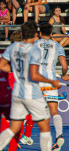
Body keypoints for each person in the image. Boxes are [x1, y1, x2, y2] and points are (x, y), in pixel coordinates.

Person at [0, 21, 61, 151]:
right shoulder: (34, 50)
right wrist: (52, 82)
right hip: (30, 93)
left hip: (17, 93)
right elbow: (34, 75)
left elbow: (1, 66)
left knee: (13, 127)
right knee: (44, 126)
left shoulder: (12, 48)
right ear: (35, 34)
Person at [35, 23, 69, 151]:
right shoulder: (58, 46)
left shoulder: (34, 44)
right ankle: (59, 136)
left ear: (39, 32)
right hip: (51, 81)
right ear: (51, 34)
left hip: (36, 81)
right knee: (54, 111)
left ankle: (20, 137)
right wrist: (65, 75)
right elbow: (64, 66)